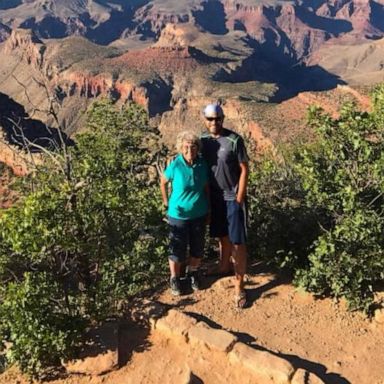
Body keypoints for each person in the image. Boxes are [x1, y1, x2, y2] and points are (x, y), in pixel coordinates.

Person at [201, 103, 249, 308]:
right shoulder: (201, 141)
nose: (214, 122)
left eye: (217, 118)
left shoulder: (234, 140)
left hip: (232, 197)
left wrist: (239, 198)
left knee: (238, 241)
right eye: (210, 119)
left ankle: (240, 285)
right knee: (222, 235)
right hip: (214, 197)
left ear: (223, 118)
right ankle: (223, 266)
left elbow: (245, 169)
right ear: (204, 119)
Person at [160, 131, 209, 296]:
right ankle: (174, 278)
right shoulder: (175, 165)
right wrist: (166, 202)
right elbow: (163, 182)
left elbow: (206, 187)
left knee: (197, 247)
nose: (190, 150)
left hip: (199, 213)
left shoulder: (202, 164)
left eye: (193, 146)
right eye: (186, 147)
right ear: (181, 148)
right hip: (178, 215)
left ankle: (193, 272)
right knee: (176, 248)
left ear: (197, 148)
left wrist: (208, 208)